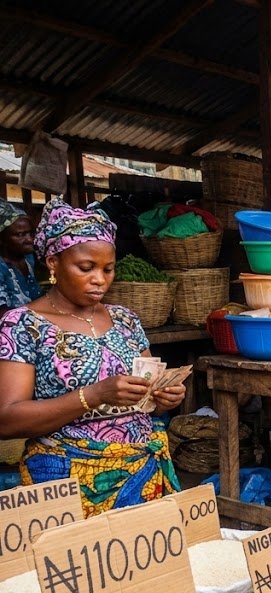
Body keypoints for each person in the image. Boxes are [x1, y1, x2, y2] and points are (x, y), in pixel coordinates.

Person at [0, 198, 184, 517]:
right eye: (86, 268)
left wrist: (166, 396)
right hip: (66, 478)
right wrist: (94, 395)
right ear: (53, 263)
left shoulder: (125, 319)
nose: (100, 279)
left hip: (143, 472)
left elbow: (148, 393)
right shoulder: (22, 324)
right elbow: (7, 418)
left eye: (108, 269)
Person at [0, 202, 42, 315]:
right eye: (20, 235)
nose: (29, 239)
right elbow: (3, 315)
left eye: (30, 233)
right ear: (2, 239)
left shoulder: (29, 258)